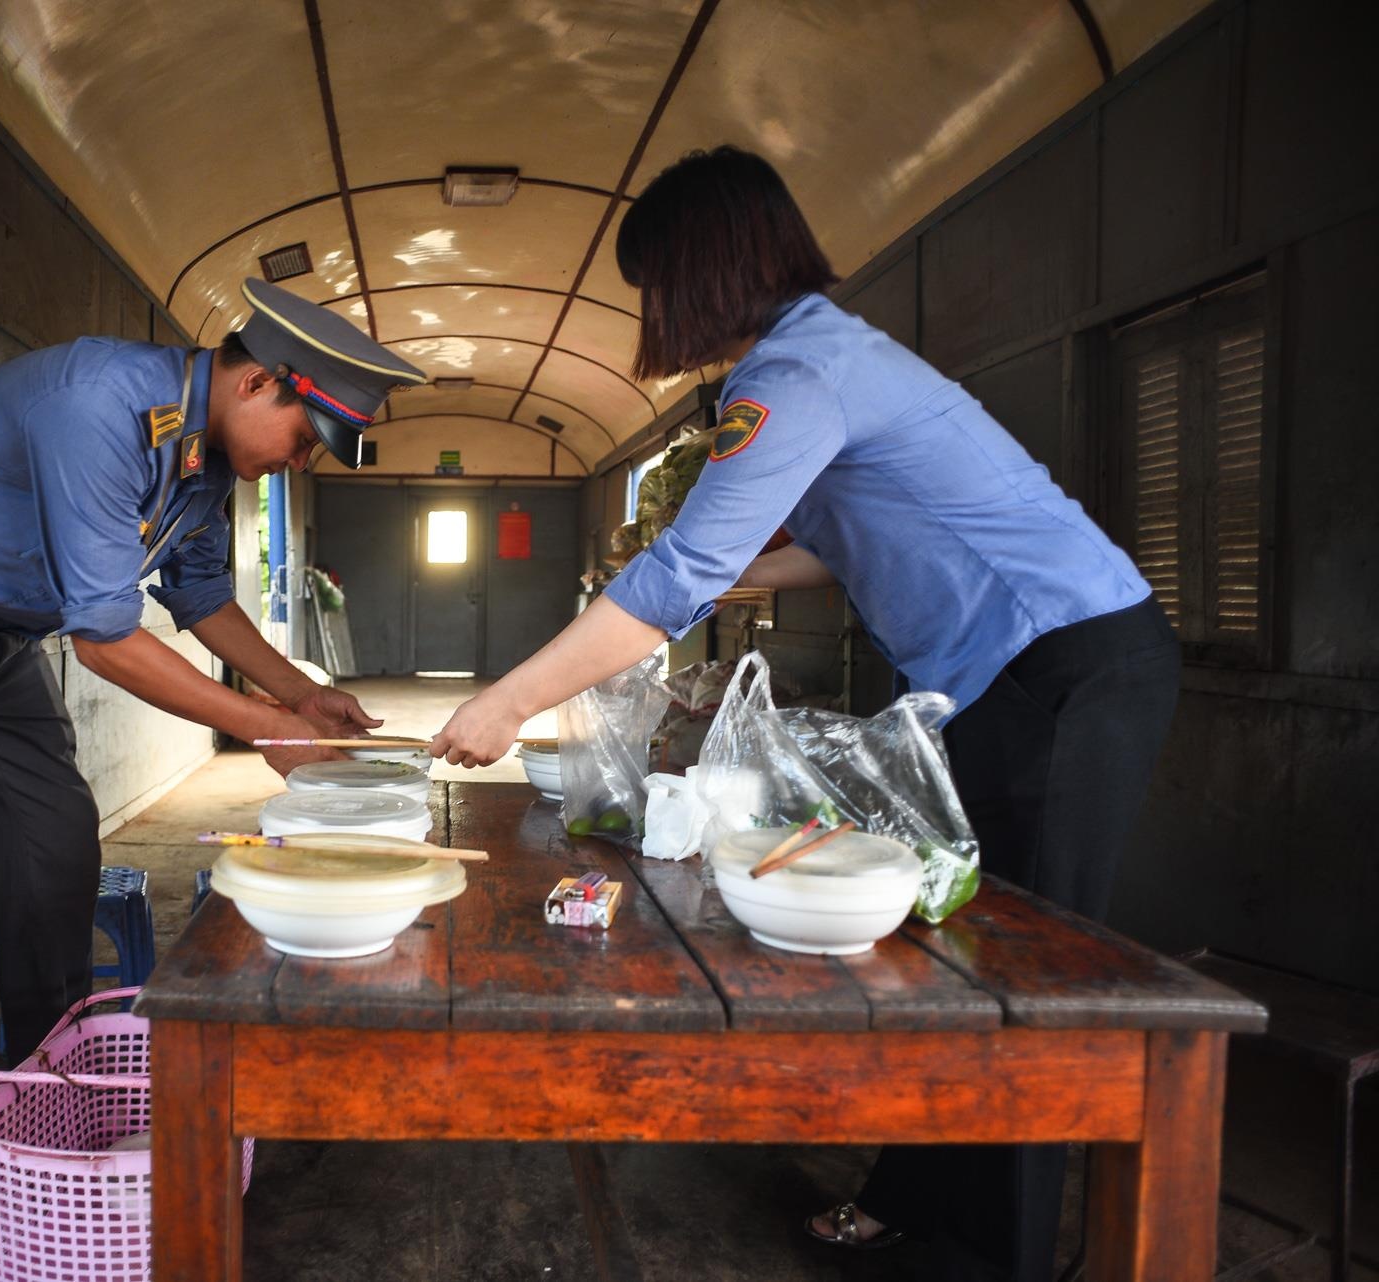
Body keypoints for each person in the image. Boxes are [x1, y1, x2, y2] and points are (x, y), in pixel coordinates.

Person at [429, 147, 1179, 1282]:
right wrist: (713, 569)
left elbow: (678, 583)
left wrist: (511, 699)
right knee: (951, 946)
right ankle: (918, 1194)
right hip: (1001, 681)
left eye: (653, 282)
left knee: (1027, 984)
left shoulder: (794, 376)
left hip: (1069, 669)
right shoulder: (820, 358)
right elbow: (827, 543)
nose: (652, 309)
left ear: (699, 268)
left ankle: (996, 1254)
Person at [0, 278, 425, 1282]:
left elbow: (200, 594)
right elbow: (109, 639)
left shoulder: (202, 460)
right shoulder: (100, 404)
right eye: (303, 441)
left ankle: (48, 1095)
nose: (298, 464)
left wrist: (305, 692)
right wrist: (266, 729)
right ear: (258, 382)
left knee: (52, 845)